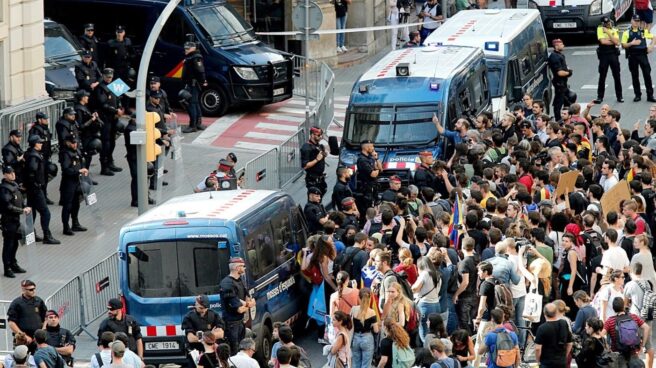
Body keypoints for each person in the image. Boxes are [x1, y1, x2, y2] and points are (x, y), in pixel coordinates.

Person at [24, 135, 59, 245]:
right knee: (45, 212)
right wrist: (36, 185)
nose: (41, 144)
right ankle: (47, 236)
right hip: (35, 189)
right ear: (35, 144)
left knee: (32, 212)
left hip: (32, 189)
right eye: (39, 142)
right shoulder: (34, 156)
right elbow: (32, 171)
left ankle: (29, 234)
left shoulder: (30, 153)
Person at [218, 257, 255, 355]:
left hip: (240, 322)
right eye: (243, 266)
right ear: (237, 268)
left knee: (242, 348)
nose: (244, 268)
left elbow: (248, 297)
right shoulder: (227, 284)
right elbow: (239, 309)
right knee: (234, 350)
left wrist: (246, 303)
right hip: (231, 324)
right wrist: (248, 305)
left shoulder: (240, 280)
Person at [0, 166, 30, 277]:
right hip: (8, 221)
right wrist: (22, 210)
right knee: (8, 244)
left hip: (16, 220)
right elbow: (7, 206)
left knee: (15, 243)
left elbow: (20, 199)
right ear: (5, 174)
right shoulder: (4, 189)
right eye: (9, 173)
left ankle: (13, 263)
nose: (12, 174)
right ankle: (7, 268)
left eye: (13, 172)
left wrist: (25, 206)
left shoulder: (14, 185)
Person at [93, 67, 124, 175]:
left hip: (113, 118)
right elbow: (103, 104)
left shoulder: (115, 85)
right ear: (103, 76)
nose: (109, 79)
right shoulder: (100, 88)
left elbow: (119, 99)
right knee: (105, 142)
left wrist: (119, 108)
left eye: (111, 77)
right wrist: (115, 110)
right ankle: (104, 166)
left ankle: (110, 162)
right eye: (107, 77)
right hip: (105, 118)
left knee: (112, 141)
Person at [623, 262, 654, 368]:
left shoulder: (629, 285)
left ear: (631, 271)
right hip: (648, 315)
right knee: (648, 345)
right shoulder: (648, 283)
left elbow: (625, 303)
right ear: (641, 271)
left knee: (633, 344)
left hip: (635, 317)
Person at [603, 297, 650, 366]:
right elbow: (647, 328)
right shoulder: (633, 317)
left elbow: (601, 334)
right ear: (623, 306)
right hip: (633, 353)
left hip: (618, 355)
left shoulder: (610, 321)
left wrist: (607, 348)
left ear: (613, 308)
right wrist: (642, 346)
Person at [622, 14, 656, 103]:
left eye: (638, 21)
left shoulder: (643, 31)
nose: (636, 23)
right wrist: (631, 43)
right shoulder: (627, 33)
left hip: (643, 55)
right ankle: (637, 95)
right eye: (635, 21)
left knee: (647, 75)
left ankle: (650, 95)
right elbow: (623, 45)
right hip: (632, 55)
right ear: (631, 21)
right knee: (635, 76)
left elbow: (654, 37)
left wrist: (651, 46)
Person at [181, 294, 224, 362]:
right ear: (196, 304)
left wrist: (201, 337)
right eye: (201, 308)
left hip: (211, 351)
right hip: (196, 350)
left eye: (205, 308)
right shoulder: (189, 317)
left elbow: (221, 334)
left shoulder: (214, 315)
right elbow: (191, 338)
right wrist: (211, 335)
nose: (203, 310)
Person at [59, 136, 87, 236]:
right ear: (67, 143)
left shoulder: (77, 151)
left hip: (77, 181)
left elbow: (82, 162)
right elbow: (66, 169)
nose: (75, 144)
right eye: (72, 143)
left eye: (76, 142)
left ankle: (75, 223)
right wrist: (78, 171)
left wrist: (84, 169)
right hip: (68, 183)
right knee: (67, 205)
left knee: (76, 203)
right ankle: (66, 227)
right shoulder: (65, 154)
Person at [7, 280, 47, 352]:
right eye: (31, 290)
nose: (34, 291)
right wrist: (24, 336)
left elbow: (46, 318)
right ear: (23, 290)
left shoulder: (39, 301)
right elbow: (11, 322)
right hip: (22, 339)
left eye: (34, 288)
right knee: (21, 359)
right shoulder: (16, 303)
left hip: (37, 339)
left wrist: (41, 332)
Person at [412, 256, 441, 343]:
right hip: (436, 305)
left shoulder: (425, 274)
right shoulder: (438, 274)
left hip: (425, 305)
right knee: (434, 331)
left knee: (424, 331)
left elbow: (415, 288)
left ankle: (428, 350)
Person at [535, 303, 573, 368]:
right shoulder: (564, 323)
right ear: (556, 312)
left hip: (547, 363)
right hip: (561, 362)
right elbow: (570, 343)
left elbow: (538, 348)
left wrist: (538, 361)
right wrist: (565, 356)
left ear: (544, 314)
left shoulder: (542, 328)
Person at [28, 112, 55, 204]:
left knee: (45, 177)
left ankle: (44, 195)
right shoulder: (35, 130)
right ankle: (40, 197)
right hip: (39, 157)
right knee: (40, 177)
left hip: (46, 156)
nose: (47, 121)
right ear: (39, 120)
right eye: (45, 119)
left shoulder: (45, 129)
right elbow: (33, 143)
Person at [595, 17, 623, 104]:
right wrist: (612, 40)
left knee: (617, 76)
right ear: (603, 24)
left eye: (608, 23)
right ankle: (600, 96)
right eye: (606, 23)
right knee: (602, 76)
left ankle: (619, 96)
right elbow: (603, 42)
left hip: (613, 54)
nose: (608, 24)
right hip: (604, 55)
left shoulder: (614, 29)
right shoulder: (600, 29)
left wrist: (608, 33)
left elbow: (618, 42)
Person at [181, 41, 207, 133]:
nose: (186, 50)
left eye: (188, 48)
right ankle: (198, 124)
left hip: (193, 84)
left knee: (192, 104)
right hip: (192, 83)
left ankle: (193, 125)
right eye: (185, 48)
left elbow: (200, 70)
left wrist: (203, 80)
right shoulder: (191, 57)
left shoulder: (195, 57)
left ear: (193, 48)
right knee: (195, 103)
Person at [350, 288, 379, 368]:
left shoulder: (353, 309)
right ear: (369, 298)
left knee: (356, 364)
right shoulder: (372, 312)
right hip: (367, 339)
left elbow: (350, 325)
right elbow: (376, 330)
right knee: (366, 365)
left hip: (355, 338)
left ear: (359, 298)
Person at [355, 140, 383, 215]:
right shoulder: (362, 160)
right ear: (366, 147)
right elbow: (373, 174)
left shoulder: (370, 158)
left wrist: (376, 159)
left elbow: (381, 169)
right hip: (366, 189)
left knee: (375, 207)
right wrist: (376, 169)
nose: (373, 148)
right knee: (368, 209)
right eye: (372, 146)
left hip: (373, 187)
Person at [548, 39, 573, 115]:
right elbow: (559, 73)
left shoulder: (560, 55)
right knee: (559, 102)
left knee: (569, 99)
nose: (563, 46)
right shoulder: (554, 57)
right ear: (556, 46)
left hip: (563, 83)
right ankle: (558, 118)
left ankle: (568, 114)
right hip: (559, 83)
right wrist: (569, 73)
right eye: (561, 44)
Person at [300, 126, 327, 195]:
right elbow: (305, 166)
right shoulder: (306, 148)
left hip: (320, 178)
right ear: (312, 135)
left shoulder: (318, 145)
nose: (321, 137)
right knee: (314, 198)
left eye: (321, 135)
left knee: (322, 192)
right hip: (312, 179)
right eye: (318, 135)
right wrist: (317, 159)